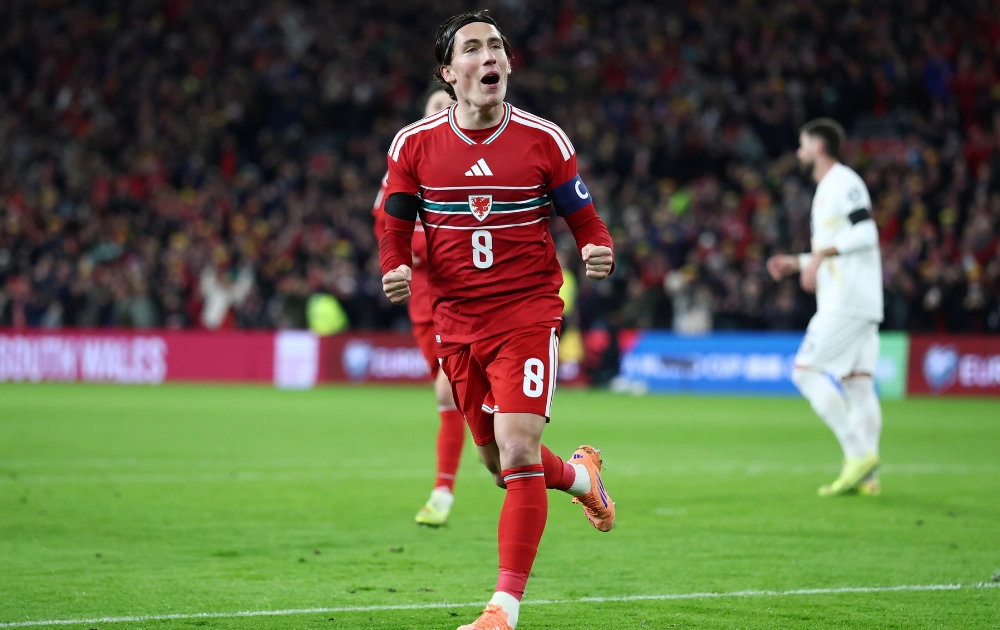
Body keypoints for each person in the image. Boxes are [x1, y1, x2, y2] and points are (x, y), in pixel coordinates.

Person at [379, 11, 616, 630]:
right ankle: (581, 477)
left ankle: (502, 609)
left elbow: (585, 218)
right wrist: (393, 265)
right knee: (496, 464)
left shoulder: (544, 139)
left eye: (497, 47)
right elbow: (394, 224)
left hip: (526, 313)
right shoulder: (413, 145)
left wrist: (598, 246)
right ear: (448, 71)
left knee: (517, 447)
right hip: (456, 322)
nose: (490, 56)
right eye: (474, 48)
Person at [767, 118, 884, 497]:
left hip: (846, 300)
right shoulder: (828, 188)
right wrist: (799, 262)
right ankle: (868, 478)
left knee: (805, 372)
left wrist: (817, 256)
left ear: (818, 147)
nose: (798, 152)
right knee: (859, 385)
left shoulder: (843, 182)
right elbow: (841, 249)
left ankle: (857, 454)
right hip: (861, 299)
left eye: (802, 145)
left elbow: (866, 233)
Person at [373, 88, 466, 527]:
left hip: (467, 298)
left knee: (449, 392)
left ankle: (442, 492)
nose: (443, 111)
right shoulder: (405, 163)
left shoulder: (471, 165)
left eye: (449, 106)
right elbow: (388, 226)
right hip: (425, 307)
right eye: (435, 106)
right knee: (457, 399)